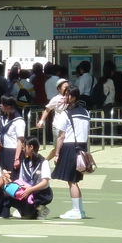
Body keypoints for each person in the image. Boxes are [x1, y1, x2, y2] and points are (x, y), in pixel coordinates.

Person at [51, 85, 90, 220]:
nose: (65, 97)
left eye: (67, 95)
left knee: (71, 181)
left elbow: (61, 136)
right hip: (82, 147)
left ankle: (76, 210)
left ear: (73, 97)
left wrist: (57, 153)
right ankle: (80, 210)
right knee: (75, 179)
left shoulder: (66, 113)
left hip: (69, 147)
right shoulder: (86, 112)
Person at [7, 137, 54, 220]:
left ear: (31, 147)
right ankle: (23, 209)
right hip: (27, 190)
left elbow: (45, 182)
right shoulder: (24, 162)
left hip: (41, 192)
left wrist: (30, 189)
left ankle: (42, 209)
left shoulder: (44, 162)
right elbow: (21, 179)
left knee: (33, 205)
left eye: (24, 147)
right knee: (10, 194)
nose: (23, 150)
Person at [0, 94, 26, 179]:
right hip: (3, 152)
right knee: (2, 176)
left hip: (13, 152)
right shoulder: (2, 119)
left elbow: (20, 141)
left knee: (12, 178)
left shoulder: (19, 121)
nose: (0, 105)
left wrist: (16, 158)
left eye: (2, 104)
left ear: (8, 106)